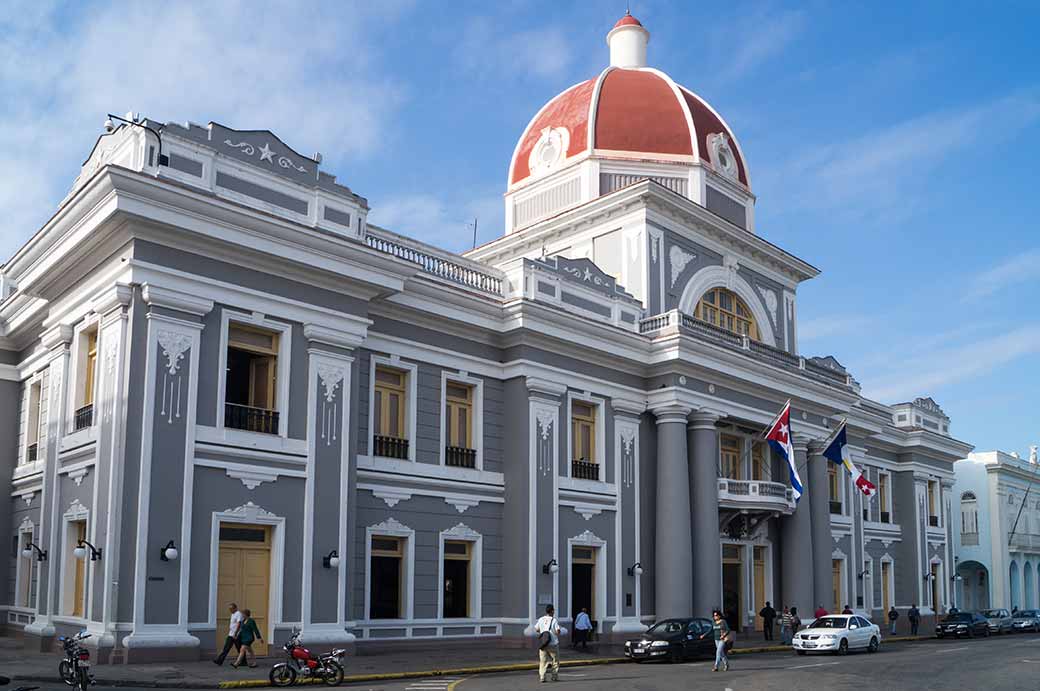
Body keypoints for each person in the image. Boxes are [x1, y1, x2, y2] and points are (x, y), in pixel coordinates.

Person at [534, 605, 561, 683]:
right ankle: (554, 676)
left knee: (543, 661)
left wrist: (543, 632)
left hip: (543, 644)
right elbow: (558, 631)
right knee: (555, 661)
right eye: (554, 610)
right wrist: (555, 633)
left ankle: (542, 677)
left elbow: (536, 629)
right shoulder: (554, 620)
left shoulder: (541, 619)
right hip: (553, 644)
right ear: (552, 611)